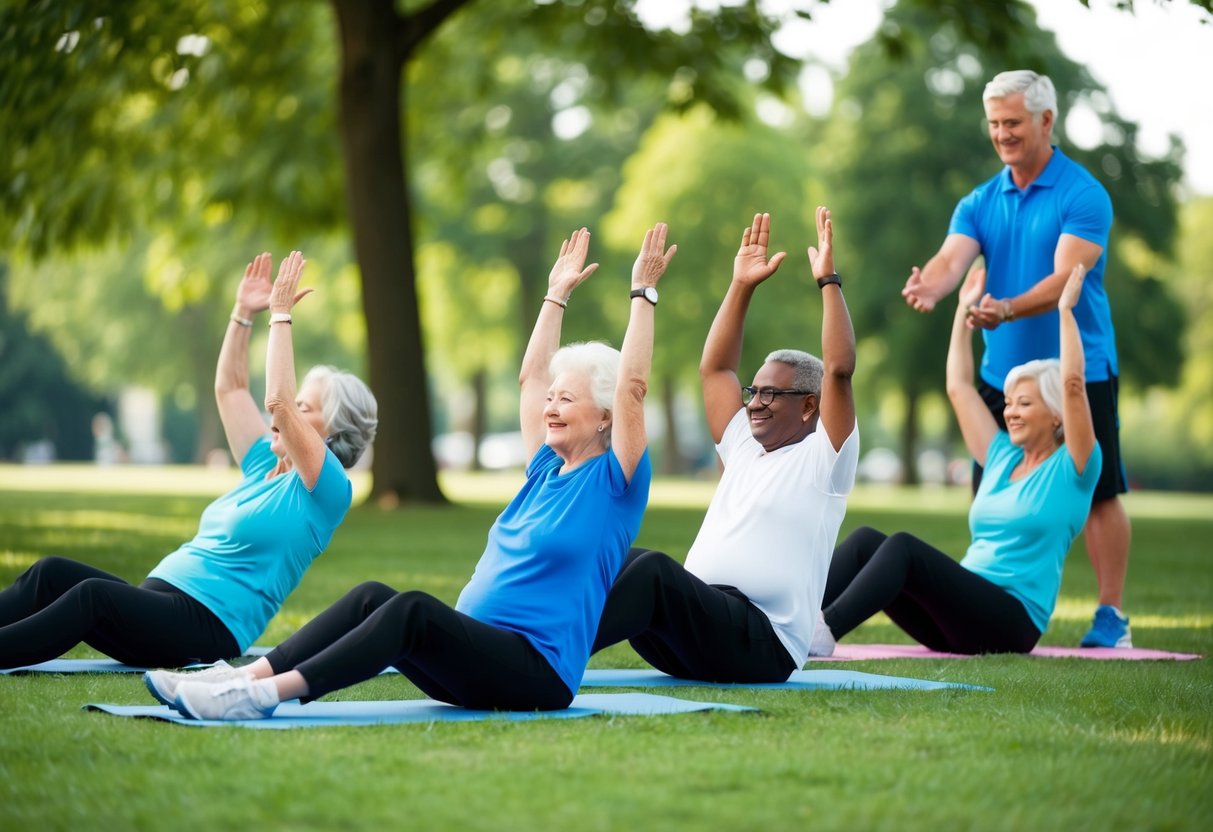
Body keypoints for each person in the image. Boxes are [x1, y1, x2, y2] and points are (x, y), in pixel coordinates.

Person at [146, 224, 675, 720]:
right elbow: (531, 377)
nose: (551, 406)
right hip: (477, 650)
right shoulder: (544, 469)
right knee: (373, 595)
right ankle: (237, 678)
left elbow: (631, 385)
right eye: (553, 399)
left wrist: (642, 296)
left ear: (605, 416)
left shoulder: (616, 483)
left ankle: (262, 696)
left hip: (536, 672)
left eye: (569, 399)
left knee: (414, 611)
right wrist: (555, 294)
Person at [0, 251, 378, 670]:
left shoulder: (326, 490)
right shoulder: (262, 468)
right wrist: (241, 315)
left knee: (91, 596)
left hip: (206, 627)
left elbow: (278, 401)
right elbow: (231, 389)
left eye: (305, 408)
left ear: (331, 434)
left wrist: (281, 316)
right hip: (162, 604)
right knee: (49, 573)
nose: (285, 416)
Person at [900, 70, 1132, 648]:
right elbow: (953, 260)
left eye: (1013, 123)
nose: (1001, 134)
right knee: (993, 489)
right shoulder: (980, 200)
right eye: (994, 124)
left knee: (1100, 493)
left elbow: (1064, 280)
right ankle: (979, 602)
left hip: (1078, 371)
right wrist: (930, 285)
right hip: (999, 376)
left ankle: (1110, 616)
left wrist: (1004, 310)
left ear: (1046, 121)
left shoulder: (1082, 194)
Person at [590, 208, 859, 683]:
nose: (754, 403)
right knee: (619, 557)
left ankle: (543, 654)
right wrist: (741, 285)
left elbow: (838, 368)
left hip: (764, 643)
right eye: (754, 391)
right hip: (696, 634)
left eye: (771, 393)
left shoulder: (825, 461)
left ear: (809, 406)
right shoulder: (743, 446)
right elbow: (716, 371)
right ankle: (522, 632)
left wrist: (828, 282)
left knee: (651, 572)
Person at [813, 264, 1102, 656]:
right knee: (865, 541)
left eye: (1025, 403)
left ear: (1055, 414)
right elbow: (959, 387)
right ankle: (787, 617)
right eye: (1010, 403)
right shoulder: (1000, 455)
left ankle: (824, 631)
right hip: (958, 616)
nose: (1011, 412)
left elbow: (1072, 386)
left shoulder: (1075, 468)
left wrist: (1065, 312)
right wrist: (963, 312)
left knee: (903, 548)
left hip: (1011, 622)